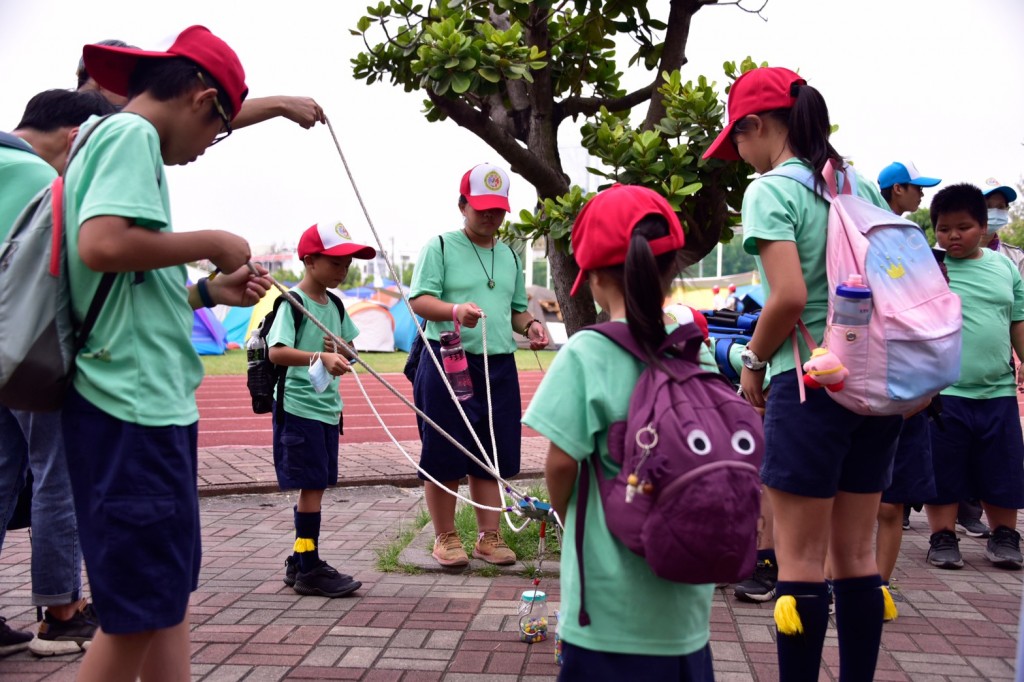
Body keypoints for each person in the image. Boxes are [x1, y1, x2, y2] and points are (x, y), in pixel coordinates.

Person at [60, 27, 270, 681]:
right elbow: (102, 245)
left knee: (162, 598)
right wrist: (209, 239)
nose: (208, 149)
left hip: (144, 405)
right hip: (129, 409)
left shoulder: (115, 139)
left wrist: (209, 289)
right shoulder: (130, 137)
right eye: (219, 131)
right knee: (134, 618)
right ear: (202, 100)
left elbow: (123, 284)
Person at [704, 66, 903, 681]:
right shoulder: (860, 186)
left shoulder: (771, 190)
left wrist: (754, 365)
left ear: (758, 125)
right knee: (857, 555)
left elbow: (787, 297)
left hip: (809, 382)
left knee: (799, 558)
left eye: (737, 140)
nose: (739, 156)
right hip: (875, 387)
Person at [523, 184, 714, 680]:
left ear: (594, 281)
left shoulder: (587, 355)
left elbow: (561, 465)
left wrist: (567, 514)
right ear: (673, 270)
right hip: (686, 619)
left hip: (605, 615)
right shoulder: (696, 353)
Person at [0, 89, 116, 657]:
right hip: (25, 347)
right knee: (57, 470)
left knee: (1, 472)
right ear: (75, 136)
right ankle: (62, 608)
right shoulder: (41, 179)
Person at [409, 163, 548, 568]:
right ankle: (445, 537)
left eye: (498, 210)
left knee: (493, 451)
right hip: (449, 360)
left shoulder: (508, 254)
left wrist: (533, 325)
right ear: (462, 205)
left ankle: (489, 537)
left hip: (499, 363)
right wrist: (455, 310)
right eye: (482, 208)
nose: (490, 216)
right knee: (444, 448)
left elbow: (516, 311)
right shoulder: (438, 246)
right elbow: (418, 300)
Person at [267, 220, 373, 598]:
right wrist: (320, 355)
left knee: (317, 486)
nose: (344, 270)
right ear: (310, 261)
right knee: (311, 486)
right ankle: (309, 565)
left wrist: (342, 351)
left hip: (328, 409)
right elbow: (275, 351)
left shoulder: (337, 304)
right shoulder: (293, 303)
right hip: (299, 408)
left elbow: (351, 352)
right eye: (336, 261)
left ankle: (299, 560)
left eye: (348, 263)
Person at [922, 184, 1024, 571]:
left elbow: (1017, 320)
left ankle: (1004, 536)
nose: (952, 236)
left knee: (1003, 465)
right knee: (944, 469)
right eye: (944, 229)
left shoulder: (1004, 268)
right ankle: (942, 537)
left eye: (962, 227)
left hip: (997, 388)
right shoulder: (930, 268)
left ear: (982, 227)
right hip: (944, 390)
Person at [874, 163, 941, 609]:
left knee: (890, 505)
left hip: (910, 399)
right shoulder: (857, 243)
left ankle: (877, 588)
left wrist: (928, 390)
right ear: (896, 189)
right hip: (860, 394)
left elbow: (940, 324)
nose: (920, 198)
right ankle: (837, 584)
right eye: (916, 189)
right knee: (852, 501)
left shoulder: (926, 256)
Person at [77, 38, 327, 129]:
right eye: (131, 87)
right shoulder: (111, 128)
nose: (137, 97)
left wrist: (281, 105)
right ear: (101, 78)